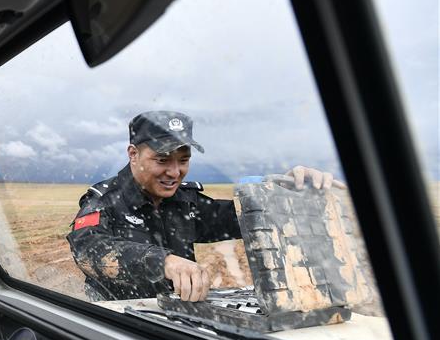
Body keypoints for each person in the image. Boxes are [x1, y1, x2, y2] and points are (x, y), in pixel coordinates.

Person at [66, 111, 336, 303]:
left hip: (177, 322)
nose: (175, 172)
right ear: (133, 154)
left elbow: (242, 217)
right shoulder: (105, 200)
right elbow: (88, 250)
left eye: (183, 160)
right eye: (162, 160)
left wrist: (283, 192)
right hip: (116, 324)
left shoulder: (184, 201)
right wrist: (163, 262)